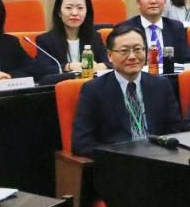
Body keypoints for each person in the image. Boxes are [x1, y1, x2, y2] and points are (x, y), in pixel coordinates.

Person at [71, 22, 181, 154]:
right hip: (118, 160)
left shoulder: (161, 85)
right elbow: (82, 143)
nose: (132, 56)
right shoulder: (93, 90)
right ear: (109, 55)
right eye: (124, 51)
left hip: (160, 158)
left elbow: (176, 130)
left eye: (138, 49)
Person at [29, 0, 108, 82]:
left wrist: (103, 66)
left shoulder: (95, 37)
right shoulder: (45, 40)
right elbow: (41, 70)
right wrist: (68, 66)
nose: (74, 13)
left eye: (80, 8)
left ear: (87, 12)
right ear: (59, 12)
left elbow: (110, 62)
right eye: (68, 8)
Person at [132, 0, 190, 64]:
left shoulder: (176, 28)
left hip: (171, 72)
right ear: (138, 2)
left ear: (165, 1)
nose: (153, 1)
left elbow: (187, 61)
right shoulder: (127, 28)